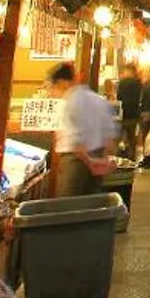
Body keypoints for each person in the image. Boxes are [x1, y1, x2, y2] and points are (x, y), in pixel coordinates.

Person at [47, 62, 117, 199]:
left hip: (75, 162)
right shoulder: (97, 99)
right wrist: (102, 160)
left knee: (68, 206)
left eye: (53, 86)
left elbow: (76, 142)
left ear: (62, 83)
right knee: (91, 203)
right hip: (97, 157)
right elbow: (109, 136)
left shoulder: (70, 102)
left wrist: (90, 162)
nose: (52, 91)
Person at [114, 64, 143, 158]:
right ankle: (132, 157)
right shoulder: (138, 83)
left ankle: (117, 156)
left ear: (128, 71)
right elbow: (140, 98)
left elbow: (119, 97)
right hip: (134, 114)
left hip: (123, 114)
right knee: (132, 138)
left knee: (118, 137)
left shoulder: (122, 82)